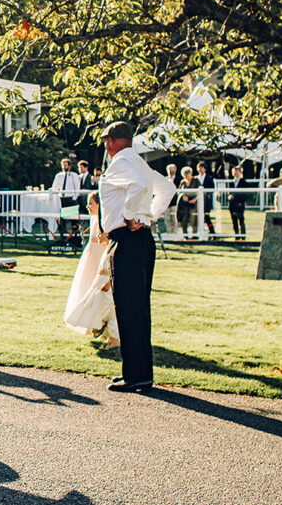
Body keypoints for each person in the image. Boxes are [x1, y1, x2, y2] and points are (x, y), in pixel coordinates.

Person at [97, 121, 176, 392]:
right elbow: (166, 188)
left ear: (113, 141)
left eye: (107, 140)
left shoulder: (120, 163)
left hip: (126, 239)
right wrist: (149, 215)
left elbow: (139, 185)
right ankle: (140, 372)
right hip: (142, 240)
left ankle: (135, 375)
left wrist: (133, 216)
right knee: (139, 309)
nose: (106, 146)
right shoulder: (139, 162)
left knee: (128, 308)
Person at [63, 192, 119, 348]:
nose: (88, 207)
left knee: (105, 296)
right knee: (95, 295)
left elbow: (105, 241)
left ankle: (112, 335)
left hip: (101, 260)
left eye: (91, 204)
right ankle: (102, 329)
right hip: (94, 259)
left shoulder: (105, 220)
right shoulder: (95, 219)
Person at [51, 158, 81, 233]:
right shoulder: (58, 175)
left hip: (71, 199)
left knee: (73, 220)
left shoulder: (74, 175)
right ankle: (63, 236)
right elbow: (54, 187)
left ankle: (75, 237)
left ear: (69, 166)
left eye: (65, 165)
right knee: (61, 220)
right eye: (63, 165)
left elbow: (77, 187)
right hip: (61, 199)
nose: (64, 167)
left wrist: (74, 198)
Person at [229, 165, 251, 240]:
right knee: (234, 220)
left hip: (240, 204)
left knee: (241, 219)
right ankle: (237, 235)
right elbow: (230, 192)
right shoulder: (231, 182)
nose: (235, 173)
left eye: (237, 171)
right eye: (234, 171)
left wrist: (239, 200)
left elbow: (246, 194)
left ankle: (243, 236)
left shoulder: (243, 182)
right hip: (232, 204)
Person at [176, 166, 199, 238]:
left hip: (193, 202)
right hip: (184, 204)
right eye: (185, 176)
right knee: (184, 219)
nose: (186, 178)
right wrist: (183, 196)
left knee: (193, 219)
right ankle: (185, 235)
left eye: (187, 176)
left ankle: (194, 235)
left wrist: (195, 199)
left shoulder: (196, 180)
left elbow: (201, 191)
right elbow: (179, 191)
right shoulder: (182, 182)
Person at [196, 161, 217, 236]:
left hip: (206, 202)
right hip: (197, 201)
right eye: (199, 168)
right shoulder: (196, 178)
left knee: (207, 217)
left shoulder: (209, 178)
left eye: (202, 168)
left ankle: (212, 232)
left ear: (205, 169)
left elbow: (212, 189)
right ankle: (199, 232)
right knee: (197, 217)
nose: (200, 169)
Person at [164, 163, 180, 234]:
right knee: (167, 218)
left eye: (173, 170)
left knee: (174, 218)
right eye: (170, 170)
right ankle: (169, 231)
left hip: (174, 202)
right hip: (166, 202)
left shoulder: (178, 180)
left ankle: (175, 231)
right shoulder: (164, 179)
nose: (171, 172)